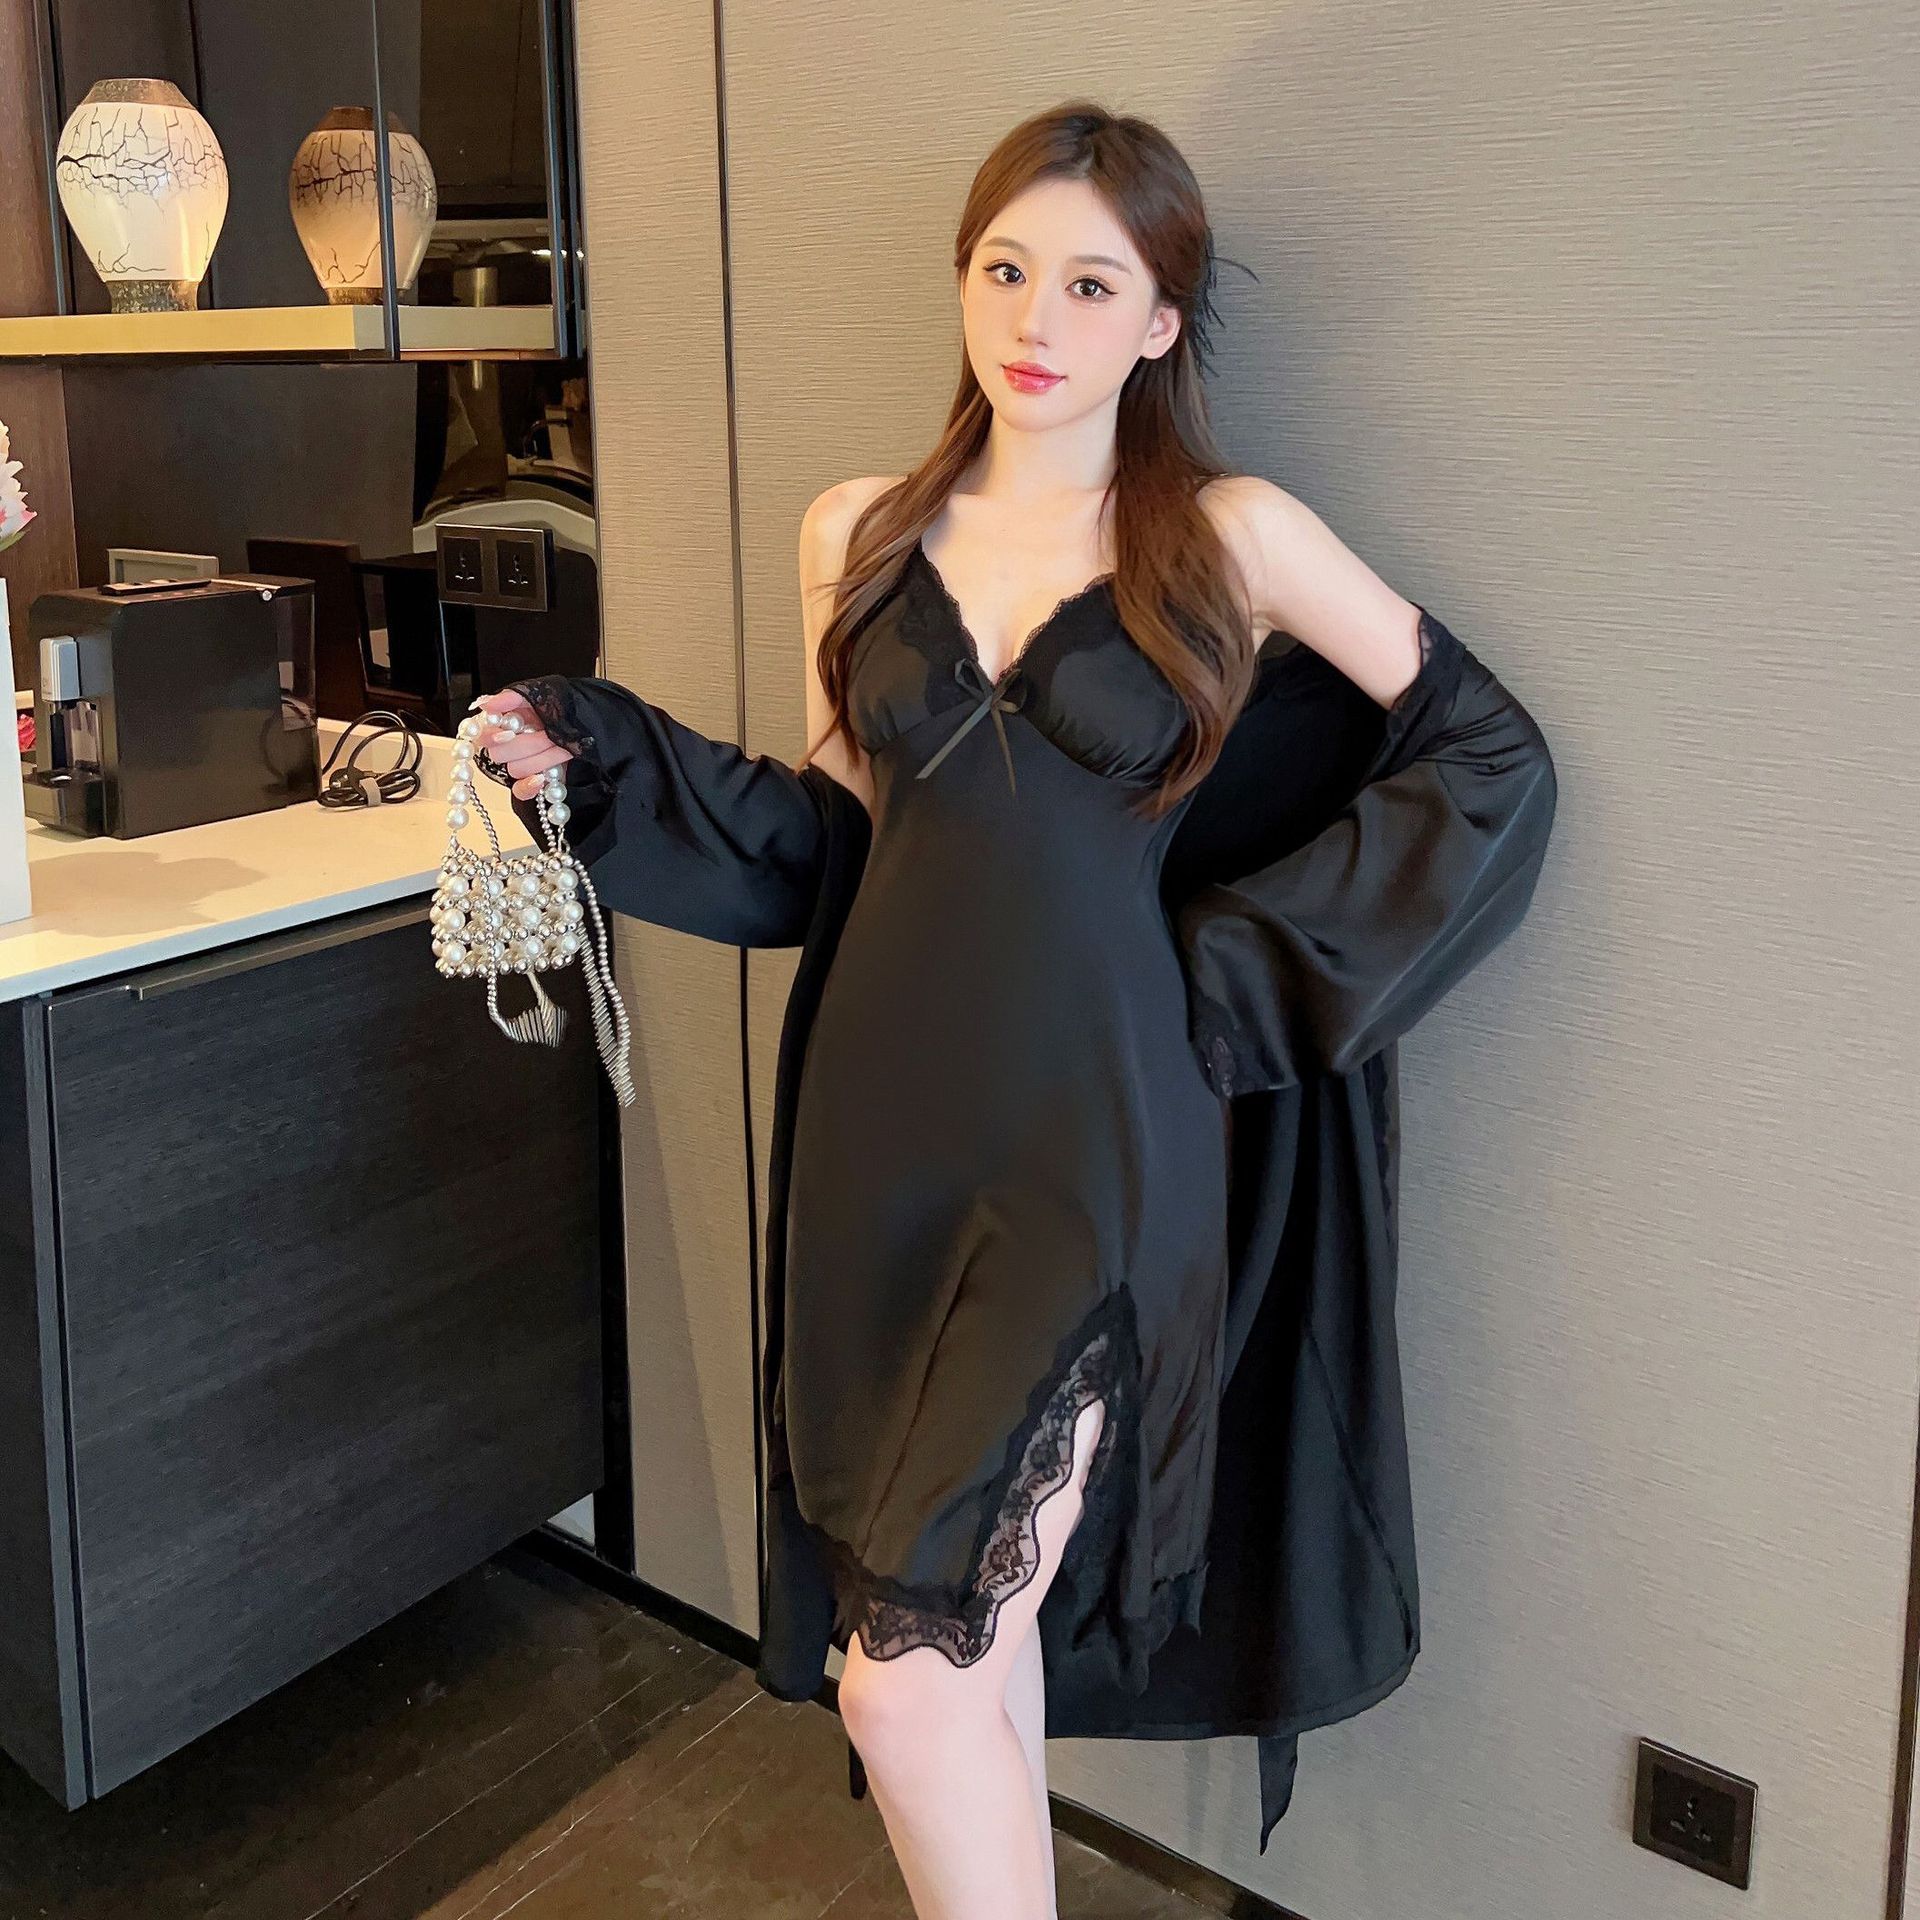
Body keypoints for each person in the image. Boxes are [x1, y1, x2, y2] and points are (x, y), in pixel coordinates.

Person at [475, 100, 1553, 1920]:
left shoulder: (1233, 537)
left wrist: (1234, 971)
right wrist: (602, 764)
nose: (1034, 318)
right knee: (971, 1651)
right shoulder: (857, 531)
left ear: (1160, 321)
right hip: (877, 1142)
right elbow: (833, 841)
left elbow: (1490, 759)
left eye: (1090, 283)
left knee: (900, 1684)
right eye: (1003, 269)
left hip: (1100, 1149)